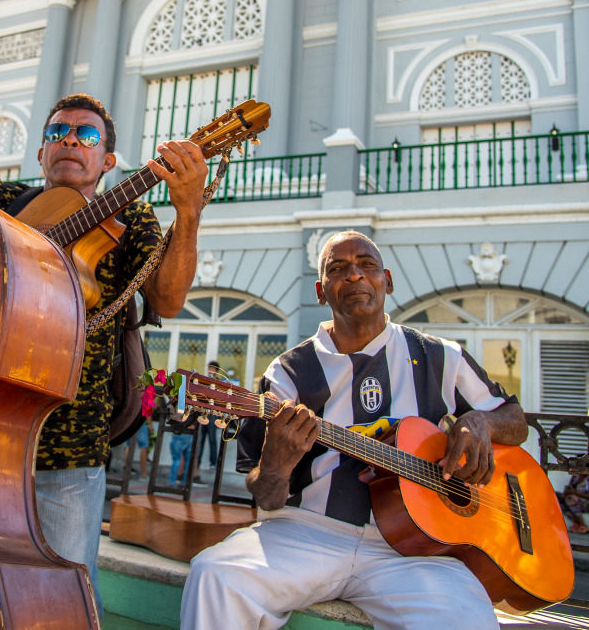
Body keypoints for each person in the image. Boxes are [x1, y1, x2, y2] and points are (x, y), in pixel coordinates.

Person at [181, 230, 528, 630]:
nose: (354, 276)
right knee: (216, 576)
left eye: (367, 265)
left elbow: (514, 419)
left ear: (388, 281)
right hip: (307, 534)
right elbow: (266, 495)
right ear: (320, 290)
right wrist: (275, 466)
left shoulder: (439, 356)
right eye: (338, 269)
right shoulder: (288, 372)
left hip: (415, 554)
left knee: (466, 618)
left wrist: (480, 420)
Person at [0, 93, 207, 614]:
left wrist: (189, 210)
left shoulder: (132, 220)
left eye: (86, 136)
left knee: (64, 602)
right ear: (40, 152)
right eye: (58, 132)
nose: (69, 141)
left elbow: (169, 300)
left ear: (108, 160)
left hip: (67, 444)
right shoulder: (1, 200)